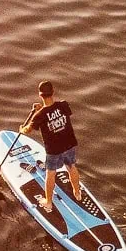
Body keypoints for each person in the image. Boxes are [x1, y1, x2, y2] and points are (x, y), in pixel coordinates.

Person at [22, 81, 80, 213]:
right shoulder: (63, 105)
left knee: (50, 173)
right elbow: (55, 112)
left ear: (40, 95)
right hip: (69, 143)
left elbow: (28, 130)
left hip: (54, 150)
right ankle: (77, 192)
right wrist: (42, 110)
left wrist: (22, 129)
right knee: (71, 167)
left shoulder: (39, 116)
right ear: (53, 92)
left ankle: (48, 202)